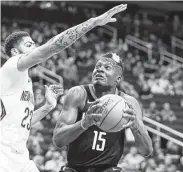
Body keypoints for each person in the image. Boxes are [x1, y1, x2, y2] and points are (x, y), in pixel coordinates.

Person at [0, 4, 127, 172]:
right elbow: (53, 46)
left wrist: (47, 107)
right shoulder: (11, 66)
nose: (35, 47)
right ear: (15, 52)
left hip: (20, 155)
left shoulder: (24, 80)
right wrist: (92, 23)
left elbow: (21, 123)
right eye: (29, 44)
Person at [53, 53, 153, 172]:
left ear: (118, 78)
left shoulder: (128, 103)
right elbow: (58, 140)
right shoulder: (78, 94)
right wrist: (84, 123)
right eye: (97, 66)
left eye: (107, 68)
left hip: (108, 169)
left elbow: (146, 150)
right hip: (75, 168)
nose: (99, 69)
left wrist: (136, 126)